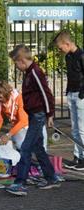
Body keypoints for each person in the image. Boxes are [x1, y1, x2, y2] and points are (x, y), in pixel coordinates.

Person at [6, 44, 60, 196]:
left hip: (38, 115)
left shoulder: (35, 73)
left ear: (22, 60)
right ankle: (51, 178)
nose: (16, 66)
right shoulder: (30, 73)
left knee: (26, 148)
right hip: (34, 115)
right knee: (38, 148)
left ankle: (20, 183)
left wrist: (50, 114)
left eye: (16, 63)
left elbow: (46, 94)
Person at [0, 80, 48, 150]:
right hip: (20, 128)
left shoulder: (19, 98)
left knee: (41, 149)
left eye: (0, 97)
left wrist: (8, 135)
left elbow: (23, 121)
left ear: (6, 93)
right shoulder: (0, 103)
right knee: (21, 147)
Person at [53, 30, 84, 171]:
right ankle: (77, 157)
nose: (60, 51)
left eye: (60, 48)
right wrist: (68, 92)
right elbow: (71, 76)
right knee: (75, 129)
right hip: (71, 93)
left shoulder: (81, 55)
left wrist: (82, 94)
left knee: (82, 129)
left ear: (67, 43)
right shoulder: (68, 57)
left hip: (80, 95)